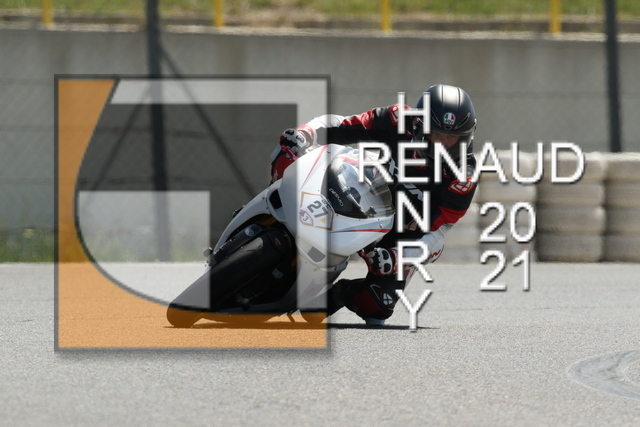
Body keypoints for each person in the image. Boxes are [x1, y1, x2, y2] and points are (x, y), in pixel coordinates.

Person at [270, 84, 478, 325]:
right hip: (357, 196)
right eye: (436, 134)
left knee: (378, 306)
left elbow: (436, 234)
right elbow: (343, 125)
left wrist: (397, 257)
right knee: (289, 152)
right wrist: (306, 133)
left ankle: (338, 294)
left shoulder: (464, 177)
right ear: (419, 125)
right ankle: (265, 218)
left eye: (451, 138)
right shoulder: (398, 119)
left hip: (402, 230)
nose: (443, 144)